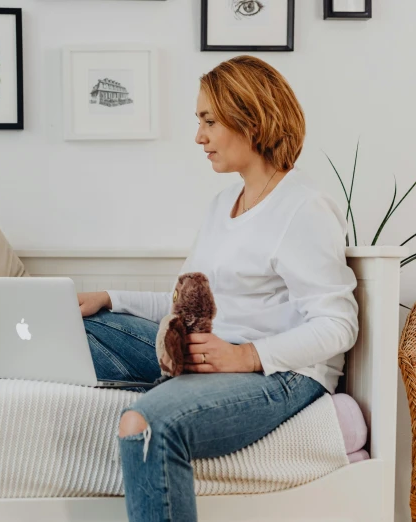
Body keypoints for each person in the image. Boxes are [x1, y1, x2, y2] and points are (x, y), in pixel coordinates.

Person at [78, 55, 359, 522]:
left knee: (145, 424)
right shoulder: (223, 203)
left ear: (250, 118)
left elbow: (338, 324)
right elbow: (190, 302)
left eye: (209, 121)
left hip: (280, 376)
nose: (199, 136)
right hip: (211, 353)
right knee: (85, 329)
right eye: (200, 121)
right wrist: (112, 299)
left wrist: (245, 355)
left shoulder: (303, 207)